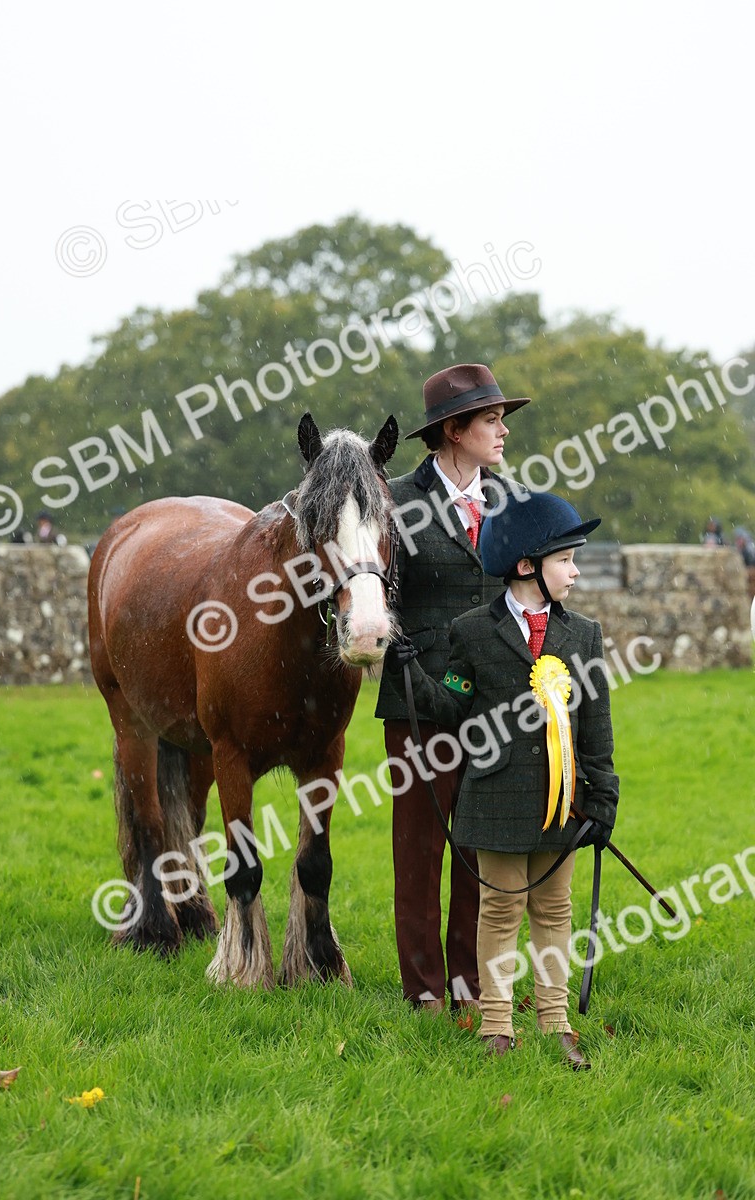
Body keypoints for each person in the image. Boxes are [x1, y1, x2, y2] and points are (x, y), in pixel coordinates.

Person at [385, 491, 619, 1068]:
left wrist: (603, 795)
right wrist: (410, 672)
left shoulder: (584, 635)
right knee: (499, 910)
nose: (575, 570)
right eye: (566, 559)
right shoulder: (472, 633)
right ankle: (496, 1023)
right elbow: (453, 702)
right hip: (493, 800)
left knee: (554, 911)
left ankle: (556, 1022)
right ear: (526, 566)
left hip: (564, 803)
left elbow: (595, 725)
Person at [375, 362, 531, 1017]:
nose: (501, 431)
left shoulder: (511, 502)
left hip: (494, 703)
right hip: (417, 700)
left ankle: (468, 983)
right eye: (490, 420)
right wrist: (415, 669)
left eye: (500, 419)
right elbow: (379, 602)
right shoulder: (396, 502)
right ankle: (424, 992)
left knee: (478, 845)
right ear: (453, 430)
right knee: (419, 849)